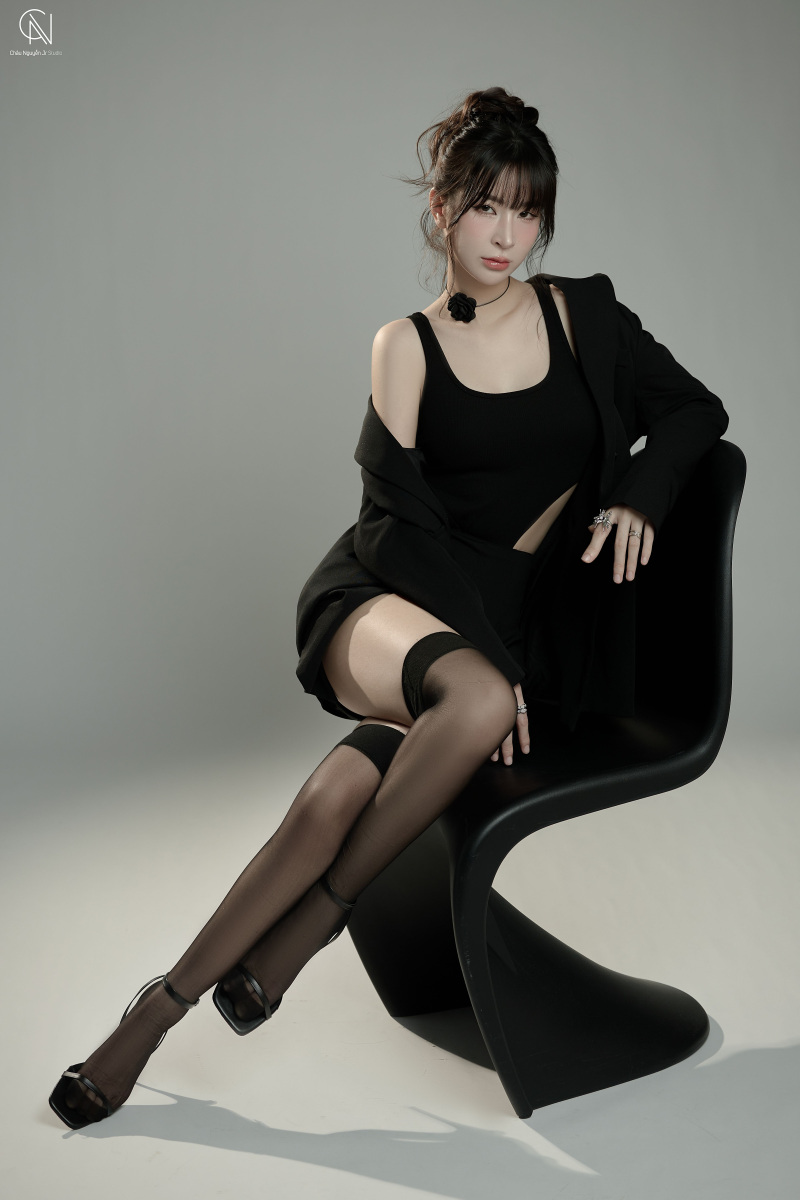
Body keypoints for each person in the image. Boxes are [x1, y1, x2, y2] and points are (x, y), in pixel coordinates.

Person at [49, 86, 729, 1129]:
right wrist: (488, 657)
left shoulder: (583, 316)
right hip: (392, 596)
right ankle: (312, 927)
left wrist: (638, 495)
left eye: (526, 212)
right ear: (442, 211)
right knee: (474, 698)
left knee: (337, 796)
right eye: (485, 207)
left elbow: (693, 411)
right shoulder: (404, 346)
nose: (506, 235)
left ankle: (153, 1014)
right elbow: (395, 529)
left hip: (518, 637)